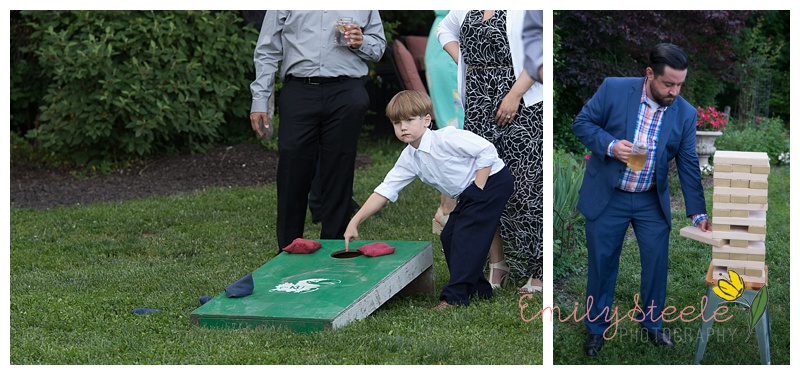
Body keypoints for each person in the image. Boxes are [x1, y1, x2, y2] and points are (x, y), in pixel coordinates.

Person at [572, 43, 711, 357]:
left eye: (680, 84)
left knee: (656, 263)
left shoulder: (685, 113)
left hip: (650, 199)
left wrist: (698, 213)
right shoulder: (614, 89)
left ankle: (651, 323)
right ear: (650, 74)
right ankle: (596, 327)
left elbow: (688, 162)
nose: (675, 91)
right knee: (602, 264)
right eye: (668, 84)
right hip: (610, 195)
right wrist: (610, 146)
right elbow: (582, 123)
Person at [343, 90, 513, 310]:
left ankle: (454, 298)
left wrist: (478, 188)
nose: (403, 127)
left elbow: (487, 150)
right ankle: (478, 289)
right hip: (471, 191)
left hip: (491, 182)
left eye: (409, 120)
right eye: (396, 122)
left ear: (426, 121)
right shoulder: (409, 157)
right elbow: (385, 190)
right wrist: (354, 222)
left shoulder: (446, 138)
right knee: (449, 237)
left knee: (465, 237)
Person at [250, 11, 386, 250]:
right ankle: (288, 248)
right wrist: (260, 100)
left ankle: (335, 248)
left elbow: (379, 47)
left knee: (339, 171)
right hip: (300, 91)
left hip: (346, 91)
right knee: (292, 169)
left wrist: (362, 42)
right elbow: (267, 50)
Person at [438, 10, 544, 293]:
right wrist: (466, 64)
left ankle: (539, 269)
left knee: (527, 185)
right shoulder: (465, 7)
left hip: (520, 102)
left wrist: (514, 95)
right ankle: (498, 263)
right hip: (477, 102)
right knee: (483, 183)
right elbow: (444, 31)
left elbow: (539, 52)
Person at [424, 10, 464, 235]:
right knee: (458, 132)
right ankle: (448, 210)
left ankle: (448, 209)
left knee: (456, 131)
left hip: (447, 42)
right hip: (451, 47)